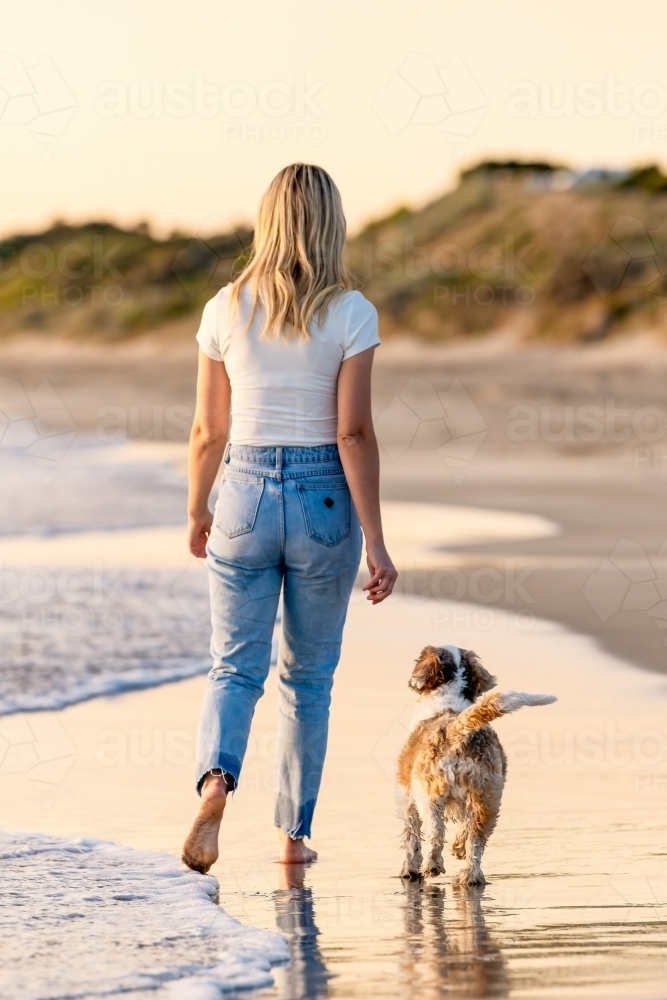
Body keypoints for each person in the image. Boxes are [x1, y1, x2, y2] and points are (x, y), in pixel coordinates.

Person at [181, 163, 397, 873]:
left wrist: (196, 508)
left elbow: (206, 430)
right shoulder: (351, 311)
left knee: (232, 666)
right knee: (307, 678)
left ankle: (215, 783)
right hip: (322, 500)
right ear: (331, 221)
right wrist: (375, 540)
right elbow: (353, 435)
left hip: (240, 491)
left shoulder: (224, 306)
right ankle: (292, 836)